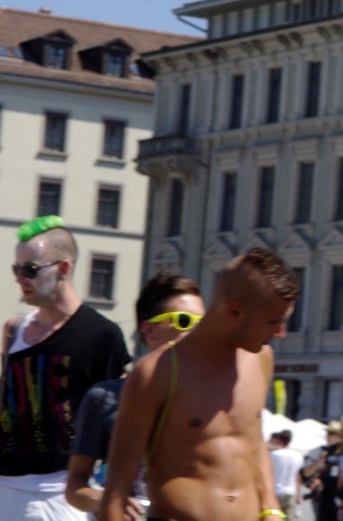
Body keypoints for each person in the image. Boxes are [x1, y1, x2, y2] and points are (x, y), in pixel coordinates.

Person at [99, 247, 299, 521]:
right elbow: (115, 493)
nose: (281, 334)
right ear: (234, 310)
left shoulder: (262, 358)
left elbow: (253, 442)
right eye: (273, 322)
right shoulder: (157, 372)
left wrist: (272, 509)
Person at [0, 215, 131, 521]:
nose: (20, 277)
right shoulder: (13, 329)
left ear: (64, 268)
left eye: (31, 269)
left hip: (60, 495)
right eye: (16, 269)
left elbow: (118, 420)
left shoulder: (102, 335)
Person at [65, 271, 204, 519]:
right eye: (184, 321)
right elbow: (75, 486)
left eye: (201, 323)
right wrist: (106, 500)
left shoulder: (209, 399)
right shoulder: (104, 397)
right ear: (149, 331)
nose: (196, 332)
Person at [302, 419, 343, 521]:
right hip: (321, 496)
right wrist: (321, 460)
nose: (328, 436)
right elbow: (306, 473)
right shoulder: (319, 451)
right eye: (328, 432)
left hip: (339, 497)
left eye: (332, 433)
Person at [269, 429, 304, 519]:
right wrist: (299, 494)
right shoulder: (298, 456)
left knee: (274, 517)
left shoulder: (273, 455)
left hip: (275, 493)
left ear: (279, 440)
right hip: (290, 492)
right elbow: (298, 477)